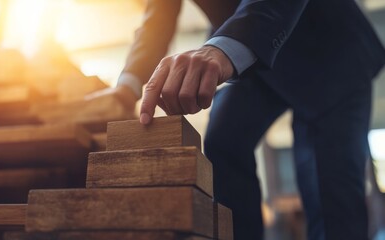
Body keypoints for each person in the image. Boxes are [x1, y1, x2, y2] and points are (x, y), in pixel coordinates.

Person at [108, 0, 385, 239]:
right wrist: (126, 87)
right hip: (258, 62)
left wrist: (226, 48)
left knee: (329, 199)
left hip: (330, 50)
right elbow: (157, 17)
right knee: (222, 143)